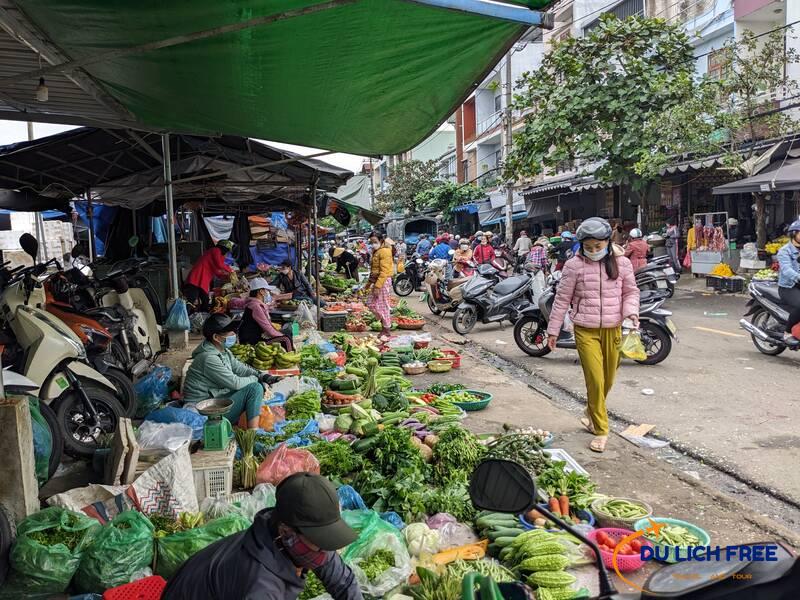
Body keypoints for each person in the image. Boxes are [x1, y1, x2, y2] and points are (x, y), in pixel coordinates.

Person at [162, 472, 362, 600]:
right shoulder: (261, 584)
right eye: (320, 542)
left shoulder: (292, 539)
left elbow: (344, 583)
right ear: (286, 532)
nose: (326, 551)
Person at [546, 217, 639, 453]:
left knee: (607, 380)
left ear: (608, 242)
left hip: (613, 328)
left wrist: (631, 313)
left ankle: (591, 411)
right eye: (588, 248)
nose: (594, 251)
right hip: (585, 330)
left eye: (598, 246)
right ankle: (601, 430)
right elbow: (561, 300)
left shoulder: (622, 263)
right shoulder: (573, 266)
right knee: (595, 380)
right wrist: (553, 330)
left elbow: (630, 292)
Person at [183, 314, 272, 429]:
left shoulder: (223, 351)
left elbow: (241, 369)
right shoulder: (208, 358)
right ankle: (253, 433)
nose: (234, 335)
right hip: (202, 411)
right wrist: (255, 379)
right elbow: (235, 383)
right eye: (230, 333)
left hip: (214, 400)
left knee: (253, 388)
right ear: (216, 337)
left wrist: (262, 375)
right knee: (255, 388)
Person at [238, 278, 294, 351]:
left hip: (253, 337)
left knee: (286, 332)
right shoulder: (256, 307)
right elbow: (269, 329)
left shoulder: (254, 304)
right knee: (286, 339)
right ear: (261, 291)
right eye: (267, 290)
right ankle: (291, 359)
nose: (268, 293)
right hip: (252, 341)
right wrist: (281, 335)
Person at [184, 240, 234, 313]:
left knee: (205, 300)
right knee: (191, 299)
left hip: (202, 280)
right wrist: (230, 270)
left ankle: (203, 317)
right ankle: (184, 318)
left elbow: (216, 271)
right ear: (224, 249)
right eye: (227, 251)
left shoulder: (219, 255)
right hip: (196, 277)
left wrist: (226, 276)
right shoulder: (215, 250)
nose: (226, 254)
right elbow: (219, 265)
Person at [364, 233, 394, 337]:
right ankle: (384, 325)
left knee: (383, 305)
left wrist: (377, 286)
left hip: (383, 281)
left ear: (381, 241)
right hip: (377, 280)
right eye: (371, 242)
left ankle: (386, 329)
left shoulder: (385, 251)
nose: (373, 244)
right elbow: (374, 270)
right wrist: (368, 285)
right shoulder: (376, 251)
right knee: (370, 304)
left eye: (375, 242)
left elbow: (384, 271)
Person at [777, 220, 800, 343]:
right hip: (788, 287)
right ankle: (787, 332)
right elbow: (787, 270)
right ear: (794, 234)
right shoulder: (785, 251)